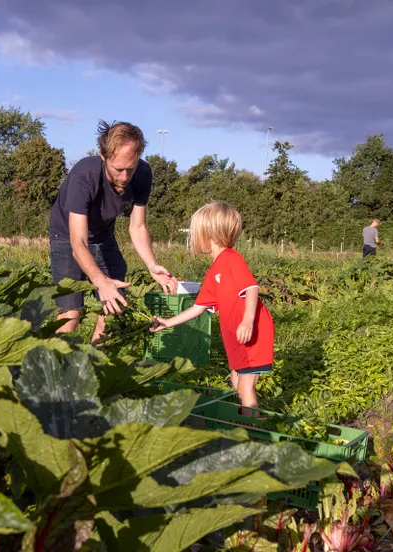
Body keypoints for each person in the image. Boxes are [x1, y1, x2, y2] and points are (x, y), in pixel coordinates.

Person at [48, 120, 178, 344]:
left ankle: (96, 363)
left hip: (103, 237)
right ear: (103, 155)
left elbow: (137, 227)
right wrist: (101, 281)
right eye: (118, 169)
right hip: (67, 237)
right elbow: (78, 242)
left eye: (131, 168)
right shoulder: (84, 176)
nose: (125, 177)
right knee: (70, 313)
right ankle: (56, 368)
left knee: (114, 306)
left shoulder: (144, 174)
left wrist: (152, 265)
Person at [150, 201, 275, 410]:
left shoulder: (231, 259)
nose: (193, 238)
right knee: (236, 383)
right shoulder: (214, 270)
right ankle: (243, 421)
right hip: (237, 336)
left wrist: (247, 321)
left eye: (196, 233)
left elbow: (252, 288)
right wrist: (168, 323)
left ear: (211, 234)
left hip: (252, 332)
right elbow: (198, 307)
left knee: (245, 387)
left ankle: (255, 432)